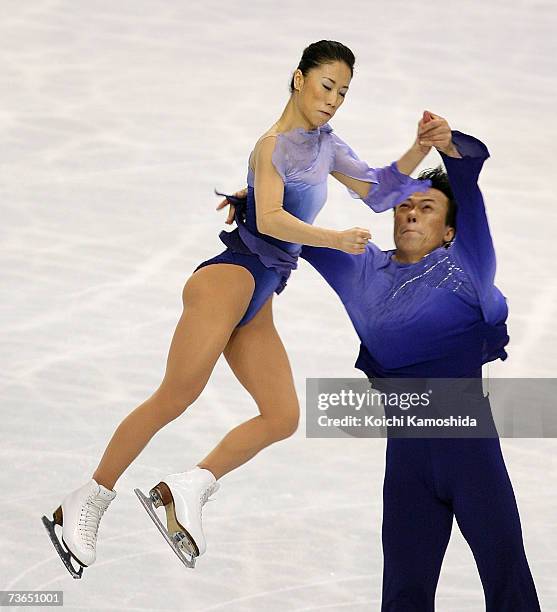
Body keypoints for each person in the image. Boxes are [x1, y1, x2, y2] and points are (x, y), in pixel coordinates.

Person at [41, 40, 433, 578]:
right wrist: (332, 237)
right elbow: (270, 219)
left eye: (343, 92)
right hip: (228, 280)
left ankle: (184, 489)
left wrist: (418, 146)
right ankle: (84, 501)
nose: (334, 99)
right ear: (298, 79)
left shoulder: (325, 145)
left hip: (260, 295)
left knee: (282, 415)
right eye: (326, 85)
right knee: (177, 394)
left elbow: (378, 191)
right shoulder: (271, 146)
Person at [299, 112, 541, 610]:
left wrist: (450, 151)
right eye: (404, 205)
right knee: (403, 595)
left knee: (507, 582)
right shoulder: (363, 268)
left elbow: (472, 204)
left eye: (427, 207)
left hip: (470, 457)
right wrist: (252, 201)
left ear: (450, 230)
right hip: (406, 463)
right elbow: (293, 232)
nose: (411, 213)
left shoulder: (467, 268)